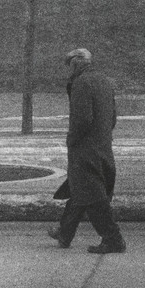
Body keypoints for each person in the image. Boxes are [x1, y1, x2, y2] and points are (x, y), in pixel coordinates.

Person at [47, 48, 126, 254]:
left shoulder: (82, 83)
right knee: (80, 188)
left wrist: (72, 140)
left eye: (69, 65)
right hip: (102, 143)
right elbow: (113, 117)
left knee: (90, 193)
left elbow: (82, 119)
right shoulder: (104, 81)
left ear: (75, 64)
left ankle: (113, 238)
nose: (68, 71)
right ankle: (65, 232)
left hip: (85, 148)